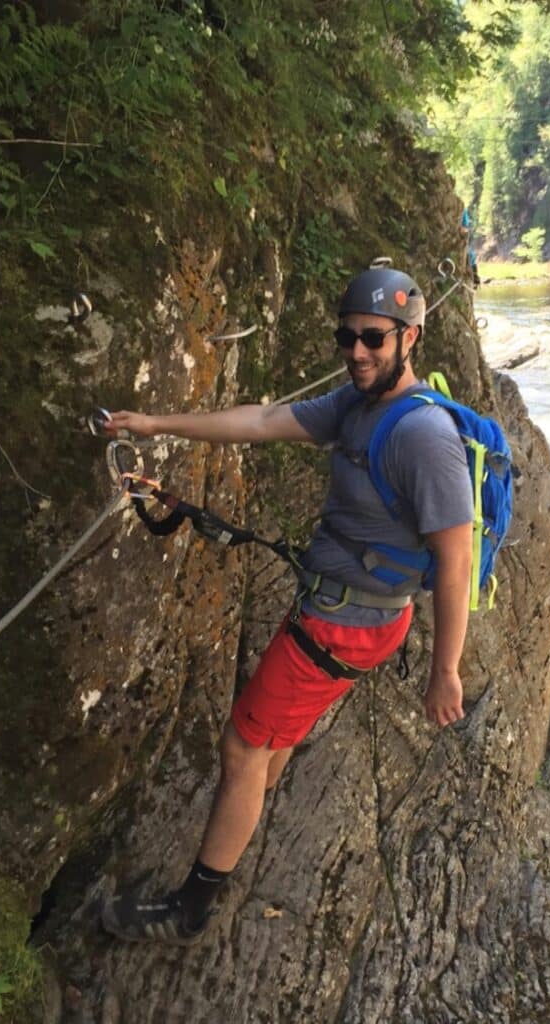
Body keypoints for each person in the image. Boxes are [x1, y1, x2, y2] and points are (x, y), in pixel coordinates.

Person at [101, 265, 474, 944]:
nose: (356, 352)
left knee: (243, 746)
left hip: (345, 625)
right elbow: (265, 420)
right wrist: (156, 424)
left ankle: (191, 910)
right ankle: (247, 807)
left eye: (373, 338)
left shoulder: (424, 437)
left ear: (410, 338)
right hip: (344, 614)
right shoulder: (358, 403)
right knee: (269, 739)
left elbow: (457, 560)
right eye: (346, 338)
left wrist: (445, 671)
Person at [460, 207, 481, 288]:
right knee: (470, 255)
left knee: (471, 255)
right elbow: (464, 228)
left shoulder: (463, 211)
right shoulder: (462, 211)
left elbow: (465, 228)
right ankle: (474, 279)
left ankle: (474, 278)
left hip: (462, 243)